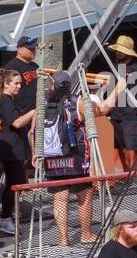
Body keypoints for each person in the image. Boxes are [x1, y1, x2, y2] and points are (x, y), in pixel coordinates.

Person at [42, 70, 101, 247]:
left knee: (60, 198)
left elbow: (32, 131)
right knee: (84, 195)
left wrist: (36, 154)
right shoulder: (78, 101)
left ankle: (63, 238)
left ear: (53, 85)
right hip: (76, 155)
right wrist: (116, 91)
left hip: (52, 156)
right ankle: (86, 234)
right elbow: (100, 111)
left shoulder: (43, 103)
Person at [0, 68, 35, 234]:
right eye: (15, 84)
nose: (18, 87)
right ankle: (5, 218)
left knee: (13, 183)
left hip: (14, 147)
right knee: (14, 184)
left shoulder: (8, 100)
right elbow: (16, 123)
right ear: (6, 83)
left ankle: (7, 216)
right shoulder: (5, 101)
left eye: (20, 84)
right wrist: (33, 112)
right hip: (11, 149)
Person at [105, 33, 137, 188]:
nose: (118, 52)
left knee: (134, 147)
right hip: (116, 112)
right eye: (117, 49)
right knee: (120, 146)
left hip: (131, 114)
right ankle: (126, 176)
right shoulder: (116, 65)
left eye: (121, 50)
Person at [1, 36, 40, 116]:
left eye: (34, 48)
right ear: (19, 50)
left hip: (34, 113)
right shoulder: (11, 67)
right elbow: (4, 91)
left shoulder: (35, 66)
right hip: (19, 114)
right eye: (30, 49)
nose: (33, 51)